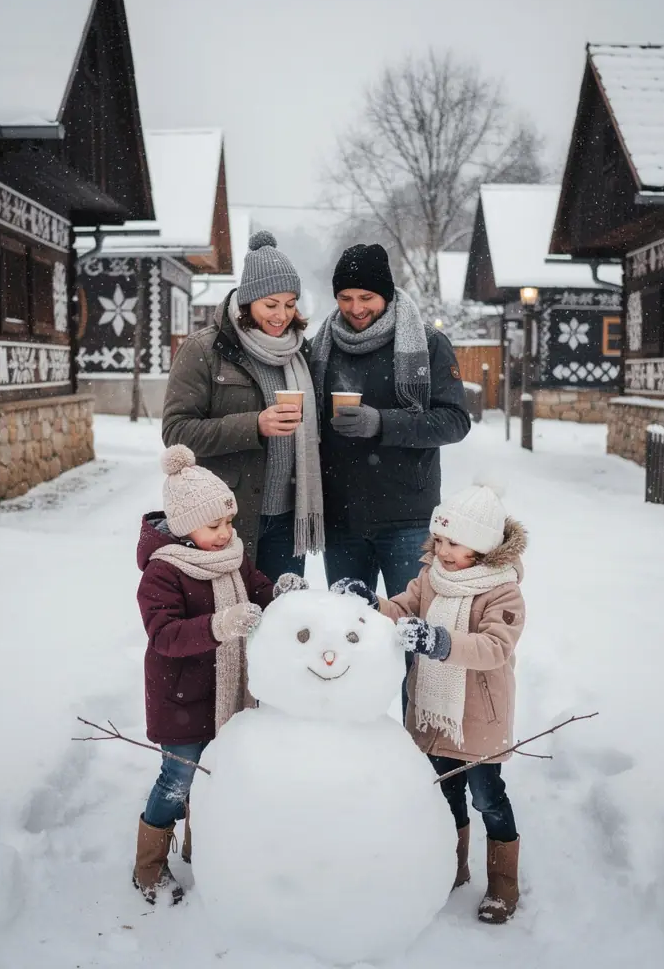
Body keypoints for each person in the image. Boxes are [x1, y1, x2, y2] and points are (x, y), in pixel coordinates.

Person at [336, 479, 527, 925]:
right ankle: (451, 869)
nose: (441, 549)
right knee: (444, 796)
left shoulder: (503, 591)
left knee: (487, 798)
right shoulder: (430, 579)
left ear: (481, 547)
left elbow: (494, 647)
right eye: (438, 539)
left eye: (453, 542)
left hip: (477, 719)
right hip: (432, 714)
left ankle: (503, 884)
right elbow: (403, 609)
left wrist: (440, 642)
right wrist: (373, 604)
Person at [132, 444, 276, 906]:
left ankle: (203, 849)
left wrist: (281, 594)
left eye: (228, 522)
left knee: (216, 775)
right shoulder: (163, 573)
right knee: (177, 780)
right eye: (214, 525)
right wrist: (221, 625)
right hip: (181, 698)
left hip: (228, 692)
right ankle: (149, 866)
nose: (226, 532)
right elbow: (165, 634)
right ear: (182, 526)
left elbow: (259, 591)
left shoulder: (232, 555)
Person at [310, 242, 470, 601]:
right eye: (345, 297)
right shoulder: (322, 347)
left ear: (386, 294)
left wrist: (382, 423)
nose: (356, 308)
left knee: (413, 630)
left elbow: (455, 421)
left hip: (407, 519)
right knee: (349, 633)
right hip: (341, 518)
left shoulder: (428, 344)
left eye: (366, 296)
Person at [162, 230, 324, 583]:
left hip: (287, 516)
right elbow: (176, 433)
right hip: (225, 516)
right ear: (248, 301)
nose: (282, 315)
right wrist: (255, 425)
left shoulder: (299, 352)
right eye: (271, 304)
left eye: (290, 303)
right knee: (232, 624)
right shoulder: (205, 350)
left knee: (281, 621)